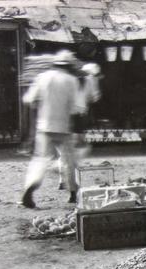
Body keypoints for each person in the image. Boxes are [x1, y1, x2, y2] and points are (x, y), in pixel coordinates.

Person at [20, 49, 84, 208]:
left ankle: (29, 189)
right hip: (63, 127)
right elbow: (77, 107)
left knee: (40, 160)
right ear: (68, 66)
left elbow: (28, 99)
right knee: (69, 160)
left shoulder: (42, 77)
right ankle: (73, 194)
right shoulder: (71, 80)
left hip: (44, 126)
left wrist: (40, 104)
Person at [58, 62, 102, 190]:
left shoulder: (68, 78)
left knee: (63, 149)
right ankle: (70, 180)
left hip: (62, 115)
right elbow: (94, 97)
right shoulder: (90, 79)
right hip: (78, 116)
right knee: (81, 147)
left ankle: (62, 179)